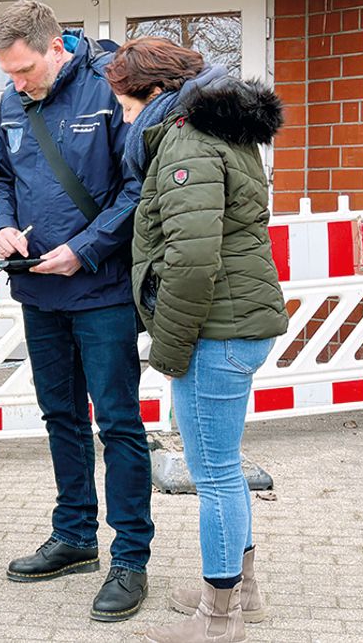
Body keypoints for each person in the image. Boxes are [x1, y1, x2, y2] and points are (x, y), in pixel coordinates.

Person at [105, 37, 289, 643]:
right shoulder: (225, 132)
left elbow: (190, 260)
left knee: (212, 475)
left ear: (155, 94)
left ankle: (220, 616)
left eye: (126, 105)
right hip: (235, 324)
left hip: (214, 330)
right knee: (226, 468)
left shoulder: (187, 142)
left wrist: (171, 347)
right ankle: (245, 591)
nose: (124, 118)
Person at [0, 0, 153, 622]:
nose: (17, 84)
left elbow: (138, 187)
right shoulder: (14, 99)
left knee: (117, 423)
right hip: (37, 288)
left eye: (25, 70)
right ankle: (76, 536)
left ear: (59, 47)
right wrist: (2, 228)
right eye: (9, 74)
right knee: (60, 414)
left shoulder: (113, 84)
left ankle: (130, 557)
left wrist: (84, 250)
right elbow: (4, 179)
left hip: (101, 289)